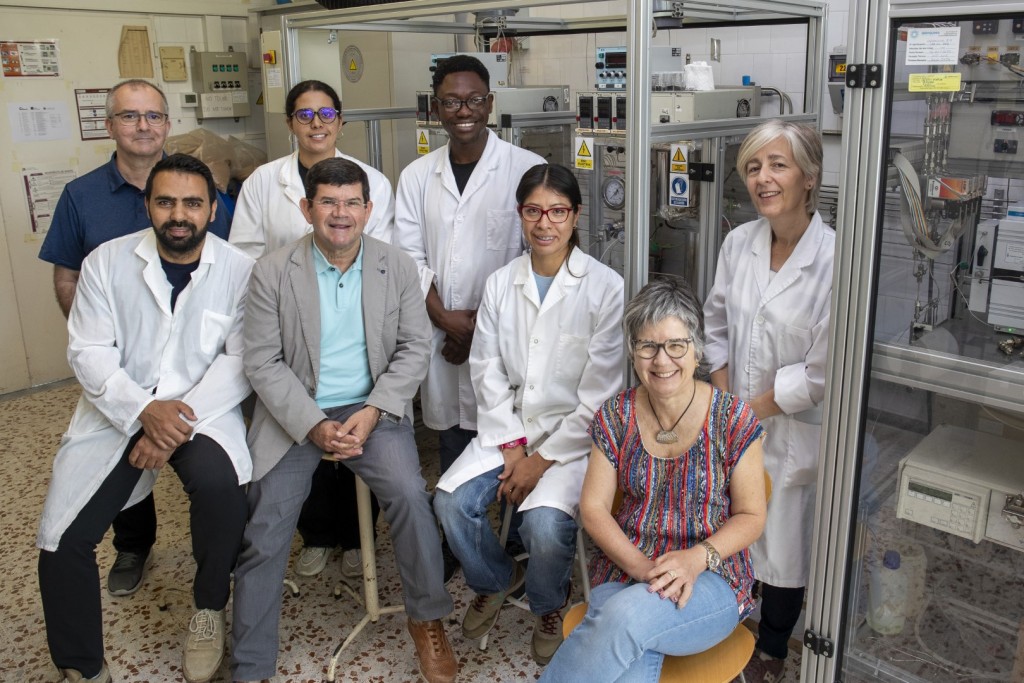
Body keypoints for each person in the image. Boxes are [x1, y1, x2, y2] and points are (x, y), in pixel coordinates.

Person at [232, 158, 457, 683]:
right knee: (264, 528)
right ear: (307, 208)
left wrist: (374, 410)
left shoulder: (396, 266)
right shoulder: (272, 271)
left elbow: (414, 347)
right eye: (328, 202)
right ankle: (251, 662)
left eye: (352, 202)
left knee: (411, 497)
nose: (341, 213)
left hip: (373, 410)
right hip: (295, 414)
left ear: (368, 209)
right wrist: (312, 423)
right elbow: (261, 361)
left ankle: (427, 620)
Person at [36, 153, 253, 683]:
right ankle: (82, 667)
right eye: (166, 202)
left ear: (213, 210)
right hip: (118, 407)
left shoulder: (241, 270)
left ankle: (209, 607)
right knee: (61, 539)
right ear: (147, 206)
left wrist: (170, 425)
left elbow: (240, 361)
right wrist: (142, 411)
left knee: (222, 489)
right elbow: (88, 350)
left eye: (192, 203)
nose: (179, 215)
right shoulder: (105, 263)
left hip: (203, 409)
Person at [38, 79, 232, 599]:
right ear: (110, 125)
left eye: (153, 116)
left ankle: (212, 590)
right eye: (129, 116)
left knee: (214, 479)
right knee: (114, 470)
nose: (142, 126)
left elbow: (227, 282)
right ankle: (133, 547)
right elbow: (68, 277)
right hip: (118, 362)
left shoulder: (207, 195)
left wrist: (168, 417)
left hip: (194, 376)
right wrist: (103, 347)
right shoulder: (82, 198)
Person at [434, 164, 624, 665]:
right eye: (534, 211)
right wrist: (514, 448)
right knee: (450, 504)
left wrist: (539, 462)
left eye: (557, 211)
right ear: (520, 214)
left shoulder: (605, 287)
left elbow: (599, 397)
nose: (545, 223)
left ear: (576, 216)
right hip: (509, 428)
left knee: (543, 525)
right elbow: (486, 369)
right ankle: (496, 580)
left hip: (572, 440)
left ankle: (548, 603)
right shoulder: (501, 283)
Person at [540, 277, 768, 682]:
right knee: (627, 652)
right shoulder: (616, 415)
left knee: (625, 617)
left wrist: (694, 560)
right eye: (648, 346)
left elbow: (752, 516)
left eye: (676, 345)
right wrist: (645, 569)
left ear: (697, 349)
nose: (662, 361)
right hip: (625, 568)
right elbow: (593, 509)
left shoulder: (733, 418)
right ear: (633, 352)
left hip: (711, 577)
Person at [230, 79, 391, 580]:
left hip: (352, 331)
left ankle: (357, 536)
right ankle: (318, 535)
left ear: (340, 121)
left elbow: (384, 260)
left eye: (326, 114)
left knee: (358, 441)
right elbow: (243, 257)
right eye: (304, 115)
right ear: (290, 123)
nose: (316, 123)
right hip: (288, 336)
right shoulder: (263, 182)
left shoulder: (372, 181)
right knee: (300, 437)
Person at [702, 120, 833, 683]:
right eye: (753, 167)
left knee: (782, 542)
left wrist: (746, 411)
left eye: (778, 165)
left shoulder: (834, 258)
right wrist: (724, 394)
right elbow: (715, 324)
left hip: (792, 430)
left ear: (810, 177)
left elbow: (822, 371)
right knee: (730, 529)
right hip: (734, 419)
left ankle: (773, 649)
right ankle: (726, 627)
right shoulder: (739, 243)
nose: (763, 178)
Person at [394, 54, 545, 476]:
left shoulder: (528, 168)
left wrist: (476, 328)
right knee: (453, 440)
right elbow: (408, 258)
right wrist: (445, 319)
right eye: (451, 102)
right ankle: (455, 512)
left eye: (474, 100)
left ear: (489, 103)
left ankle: (514, 519)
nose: (464, 111)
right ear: (436, 108)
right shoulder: (416, 176)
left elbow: (536, 255)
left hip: (505, 332)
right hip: (441, 333)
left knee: (514, 437)